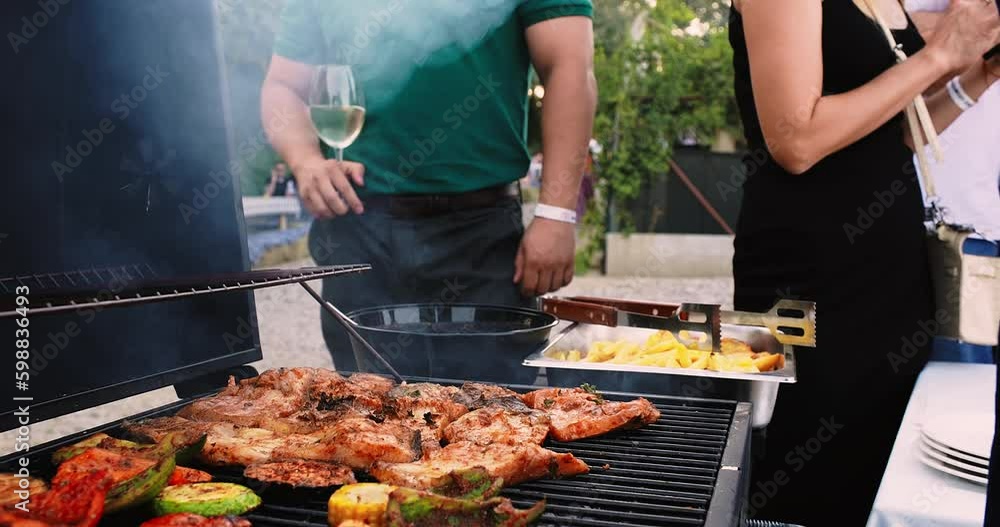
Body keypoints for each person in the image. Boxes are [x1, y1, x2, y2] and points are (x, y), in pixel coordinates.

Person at [728, 0, 999, 524]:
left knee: (876, 468)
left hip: (890, 268)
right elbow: (796, 140)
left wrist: (978, 78)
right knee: (807, 469)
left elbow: (892, 137)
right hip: (810, 270)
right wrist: (939, 55)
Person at [261, 2, 597, 380]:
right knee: (364, 415)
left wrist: (557, 213)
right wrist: (305, 161)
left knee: (496, 417)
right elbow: (284, 86)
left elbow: (569, 66)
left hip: (482, 236)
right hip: (358, 229)